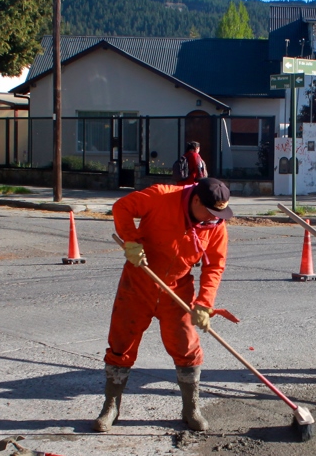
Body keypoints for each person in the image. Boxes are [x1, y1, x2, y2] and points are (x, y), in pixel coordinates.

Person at [95, 178, 233, 433]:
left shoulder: (215, 224)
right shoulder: (161, 197)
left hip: (177, 288)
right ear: (195, 200)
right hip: (139, 282)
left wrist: (204, 303)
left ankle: (191, 408)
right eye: (210, 212)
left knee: (187, 347)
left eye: (219, 213)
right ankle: (111, 406)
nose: (213, 219)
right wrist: (131, 241)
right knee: (120, 344)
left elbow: (215, 265)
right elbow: (122, 207)